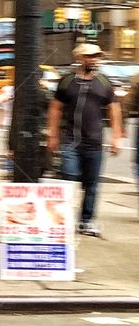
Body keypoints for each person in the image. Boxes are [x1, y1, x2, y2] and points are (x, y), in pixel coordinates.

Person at [47, 43, 122, 236]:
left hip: (94, 143)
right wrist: (52, 135)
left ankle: (86, 222)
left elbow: (114, 110)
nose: (93, 59)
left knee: (91, 185)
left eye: (96, 56)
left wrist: (116, 137)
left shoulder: (104, 82)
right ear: (79, 57)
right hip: (70, 141)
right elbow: (55, 108)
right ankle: (62, 219)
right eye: (89, 56)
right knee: (68, 176)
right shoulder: (67, 81)